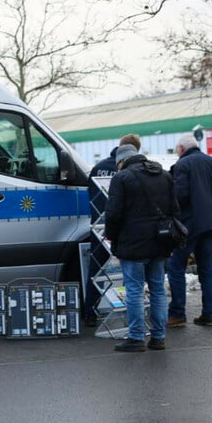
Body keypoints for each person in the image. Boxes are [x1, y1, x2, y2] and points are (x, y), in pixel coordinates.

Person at [104, 144, 178, 352]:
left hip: (133, 244)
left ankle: (136, 338)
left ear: (121, 161)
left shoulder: (122, 178)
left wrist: (111, 235)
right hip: (160, 242)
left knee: (135, 291)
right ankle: (158, 337)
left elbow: (113, 213)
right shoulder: (164, 175)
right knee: (157, 290)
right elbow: (175, 209)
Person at [167, 134, 212, 328]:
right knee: (206, 270)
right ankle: (209, 314)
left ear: (181, 149)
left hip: (189, 225)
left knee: (176, 267)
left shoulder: (183, 165)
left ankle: (177, 314)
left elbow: (179, 195)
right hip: (209, 225)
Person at [83, 133, 141, 326]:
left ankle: (89, 311)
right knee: (130, 273)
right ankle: (129, 312)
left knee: (96, 270)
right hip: (127, 229)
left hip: (99, 227)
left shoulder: (98, 168)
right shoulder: (135, 171)